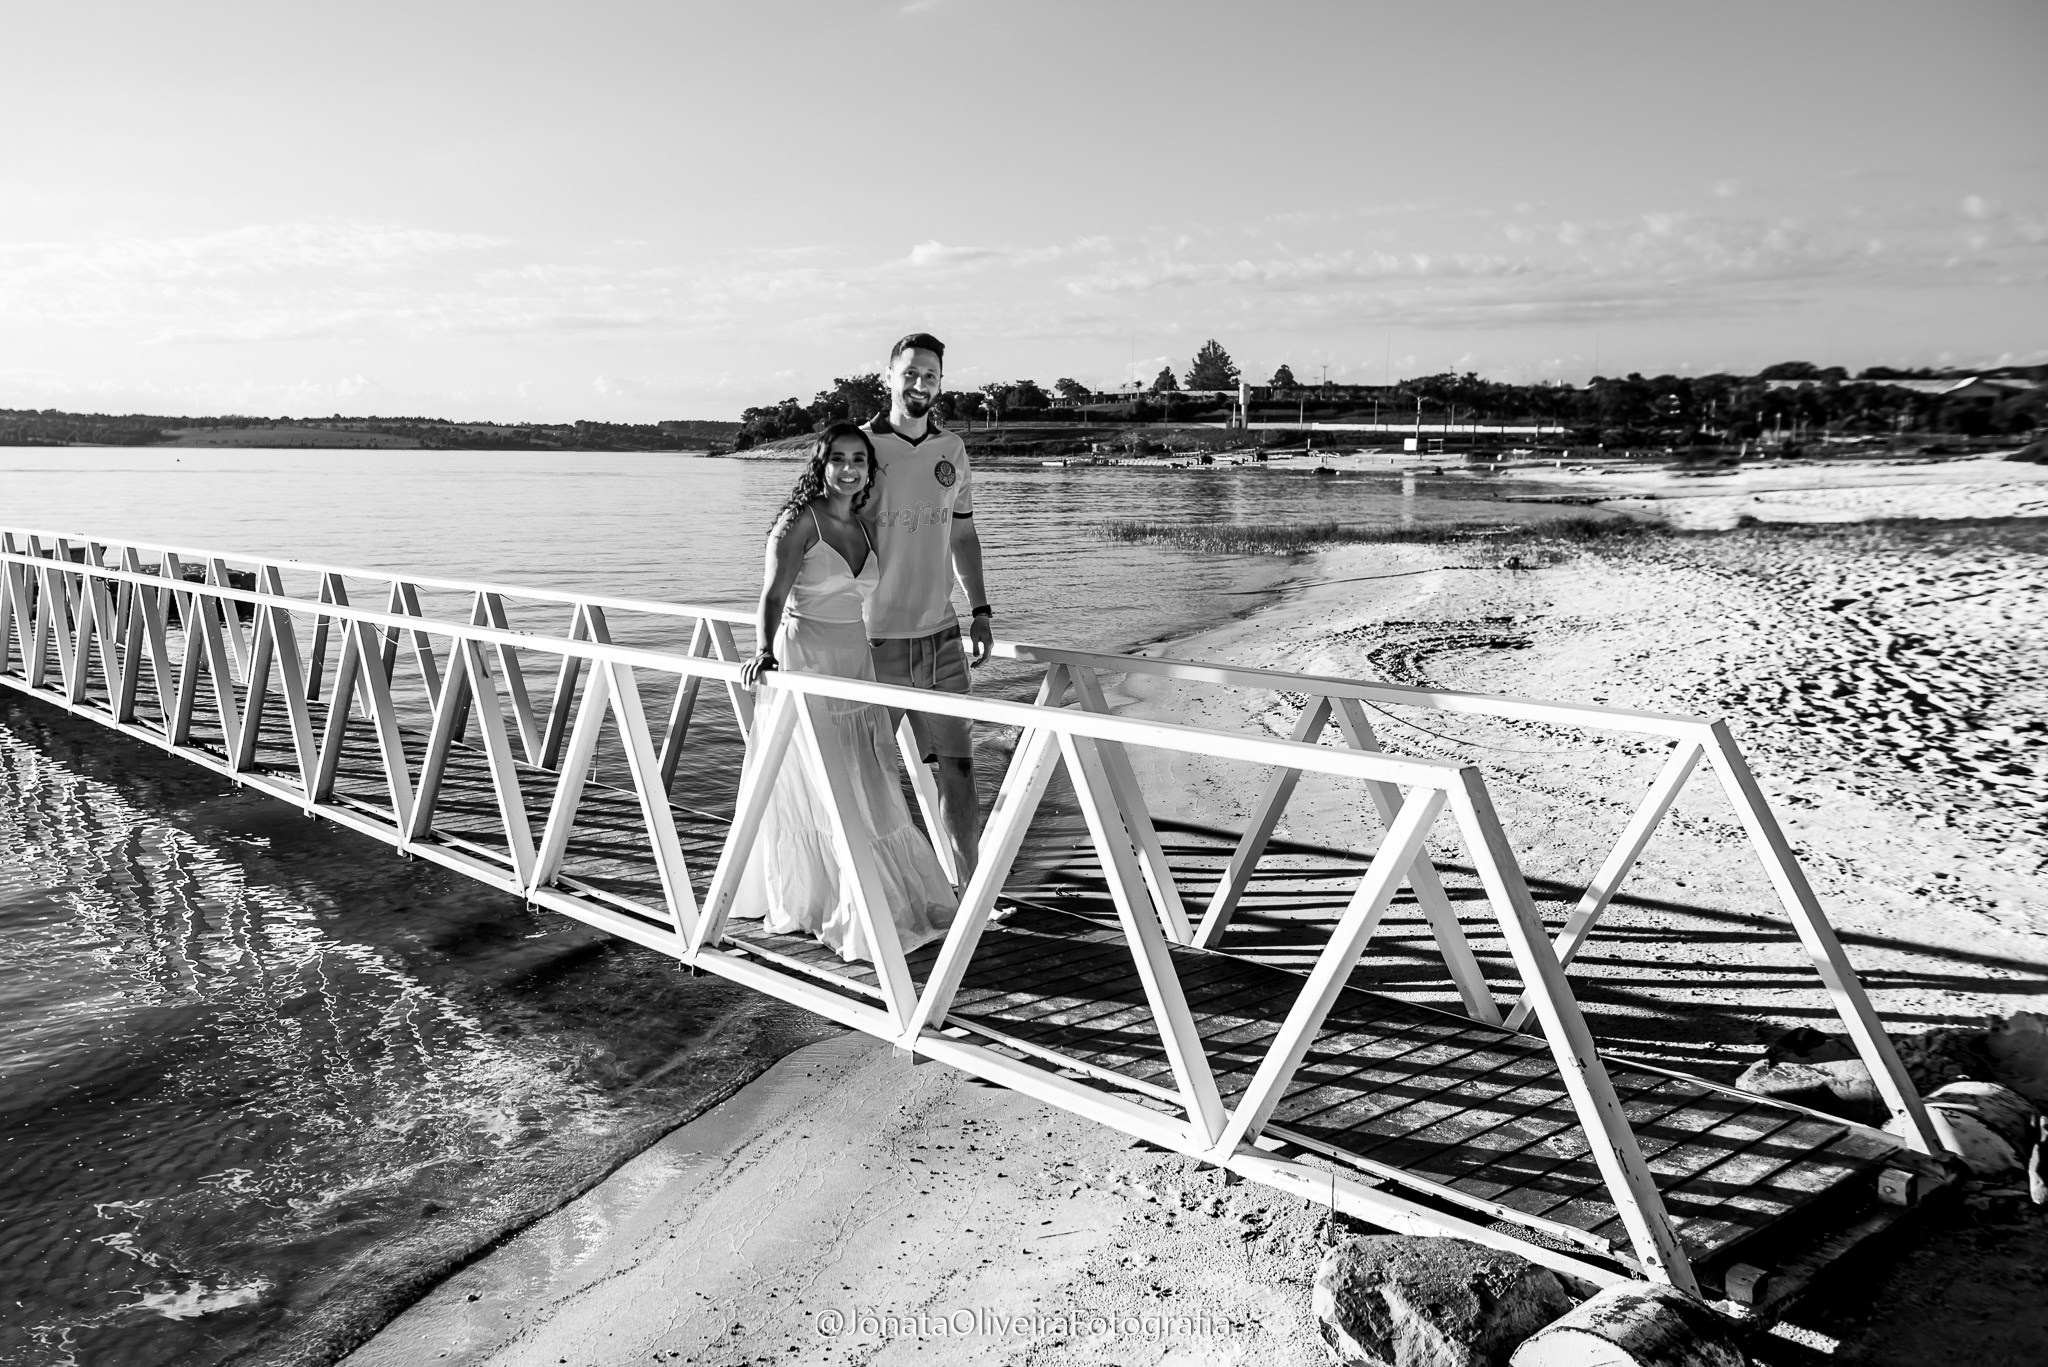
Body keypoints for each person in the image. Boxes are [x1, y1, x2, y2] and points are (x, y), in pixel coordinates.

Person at [730, 421, 956, 963]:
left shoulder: (860, 522)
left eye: (859, 459)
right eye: (838, 459)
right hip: (806, 660)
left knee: (867, 775)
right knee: (824, 782)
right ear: (820, 464)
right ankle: (836, 899)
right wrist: (763, 652)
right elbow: (771, 594)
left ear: (868, 470)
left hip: (855, 660)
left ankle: (884, 896)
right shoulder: (796, 523)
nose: (849, 468)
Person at [860, 332, 993, 885]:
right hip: (873, 641)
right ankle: (875, 891)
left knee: (959, 770)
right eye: (909, 373)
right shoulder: (858, 447)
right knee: (868, 777)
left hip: (941, 635)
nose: (919, 384)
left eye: (930, 375)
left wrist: (980, 609)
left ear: (941, 383)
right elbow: (815, 530)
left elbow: (963, 536)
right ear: (887, 376)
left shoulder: (952, 450)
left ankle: (968, 891)